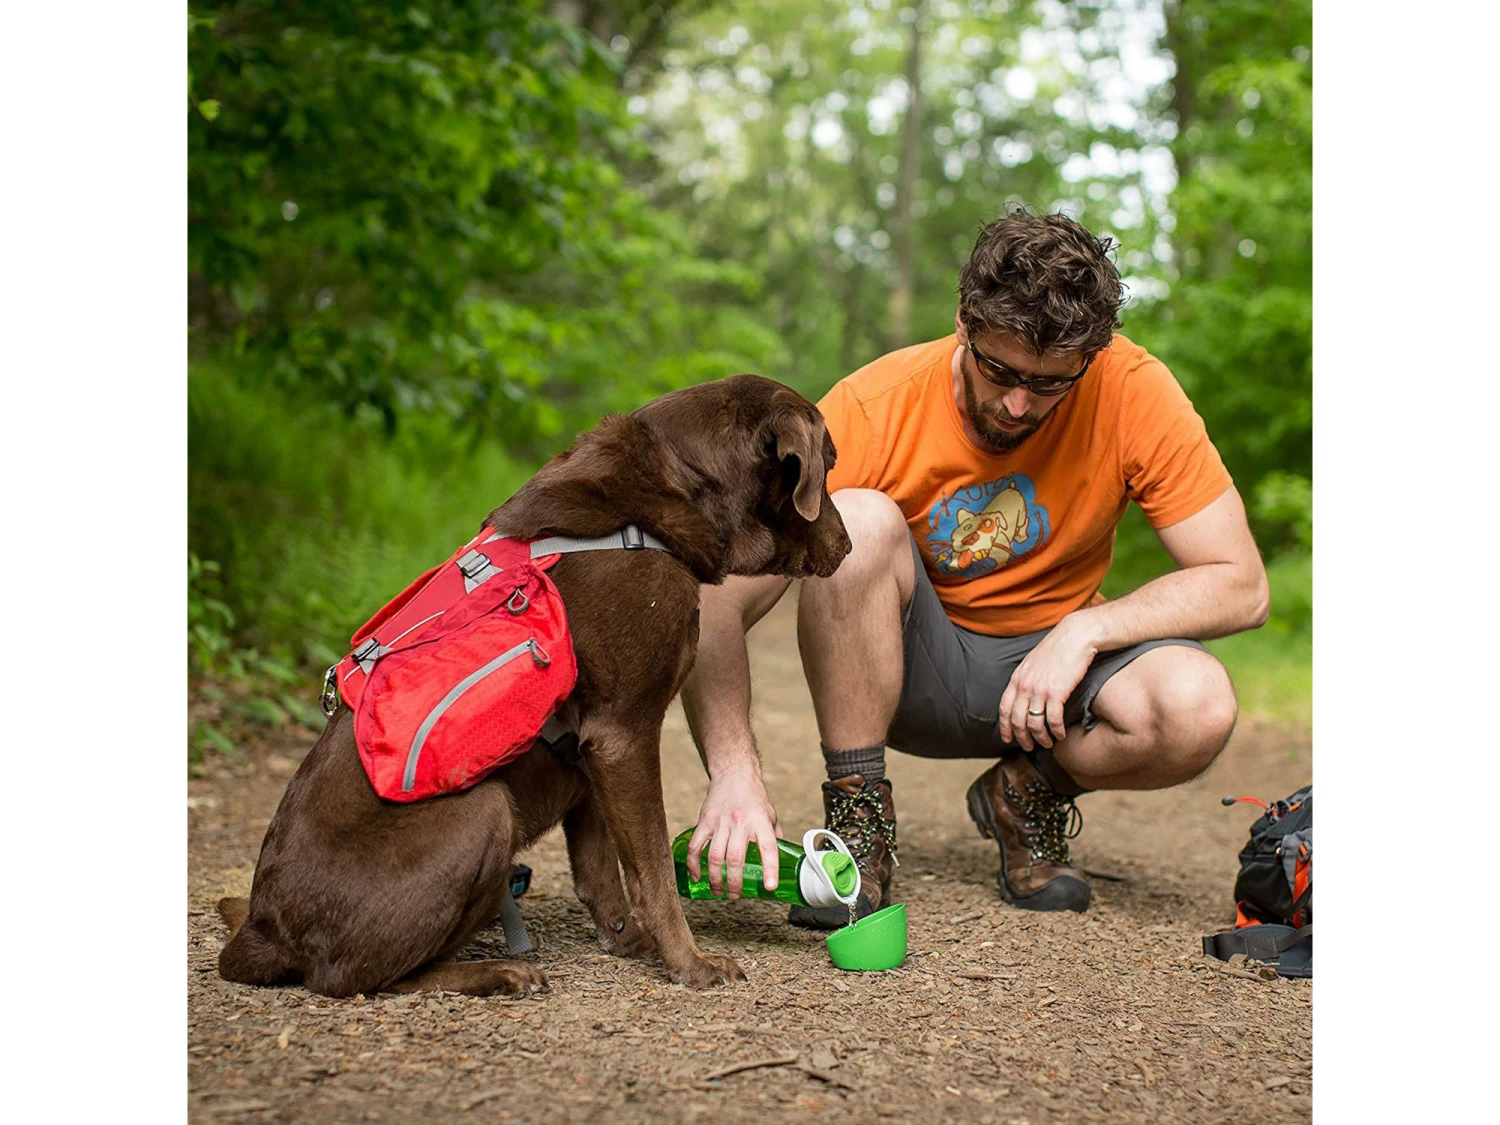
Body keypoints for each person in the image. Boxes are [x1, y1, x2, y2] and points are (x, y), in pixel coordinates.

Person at [679, 208, 1270, 926]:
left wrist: (1085, 629)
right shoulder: (873, 407)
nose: (1019, 404)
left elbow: (1241, 582)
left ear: (1093, 355)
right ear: (964, 319)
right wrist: (734, 769)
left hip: (1054, 684)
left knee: (1198, 703)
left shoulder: (1133, 390)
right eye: (1000, 370)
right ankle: (861, 827)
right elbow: (714, 594)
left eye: (1052, 383)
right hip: (914, 673)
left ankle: (1024, 793)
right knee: (858, 518)